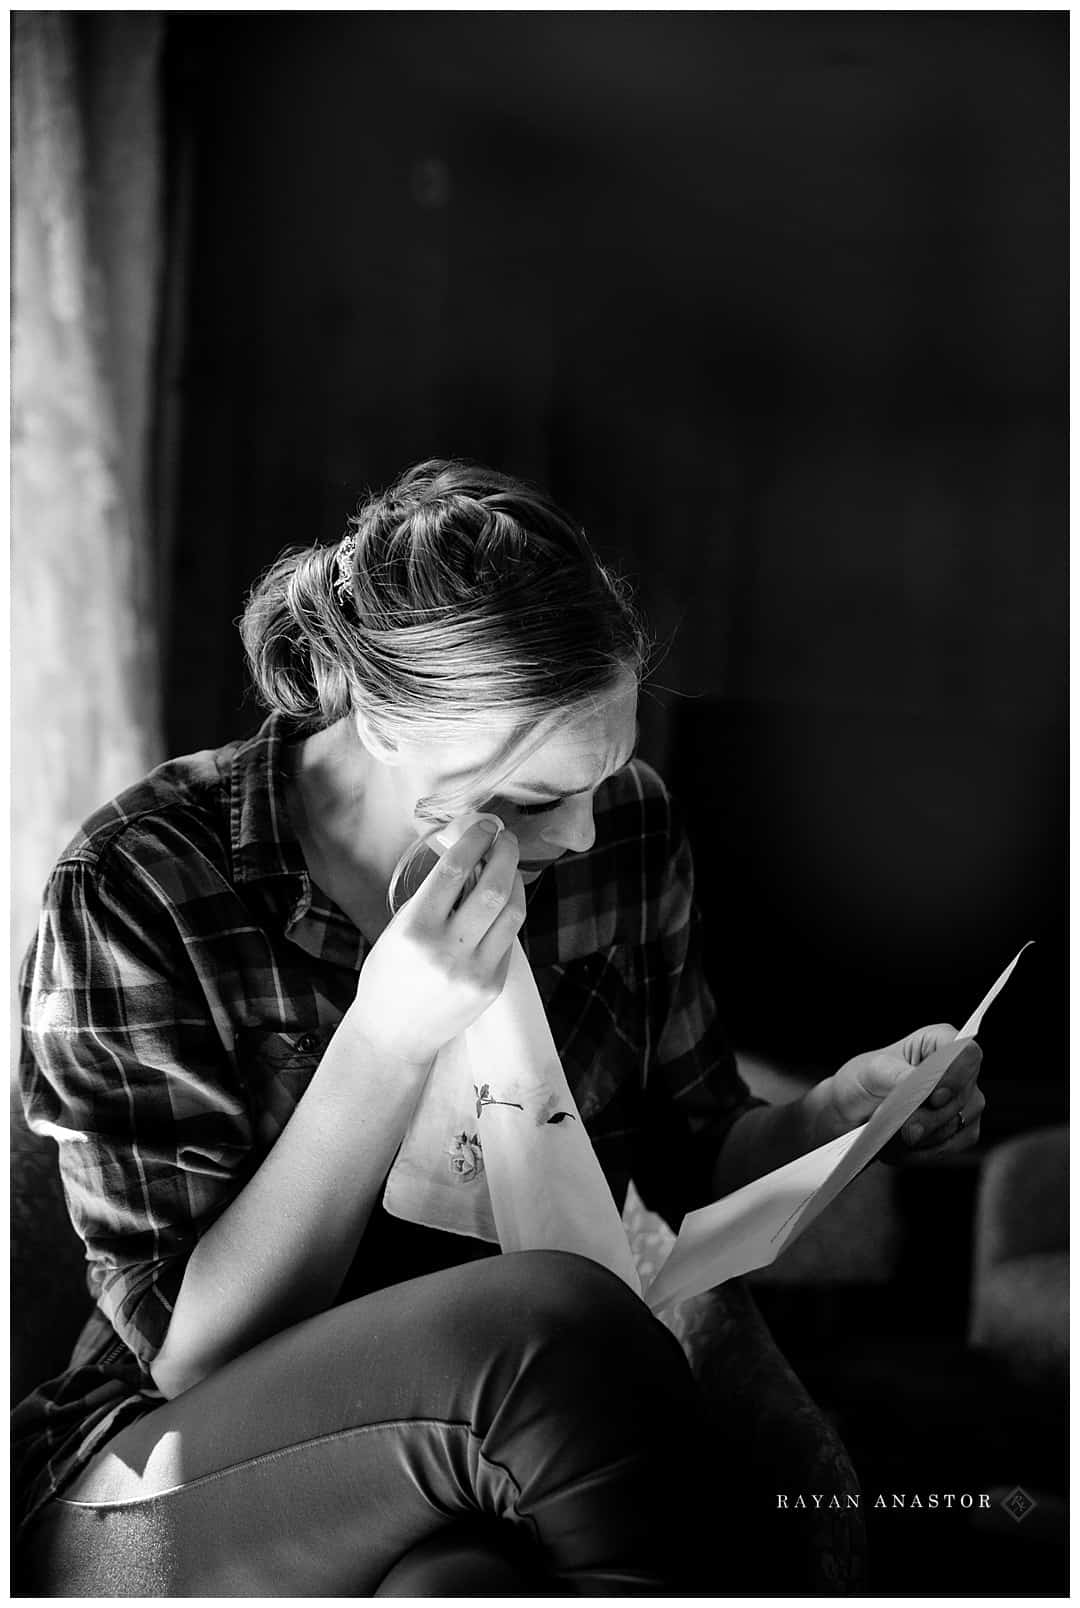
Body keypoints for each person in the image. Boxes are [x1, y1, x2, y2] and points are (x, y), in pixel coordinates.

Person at [13, 460, 985, 1596]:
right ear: (378, 720)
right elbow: (193, 1350)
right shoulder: (143, 881)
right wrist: (389, 1037)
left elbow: (689, 1152)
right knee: (557, 1323)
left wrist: (839, 1116)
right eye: (530, 801)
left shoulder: (623, 833)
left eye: (603, 774)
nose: (578, 835)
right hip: (171, 1468)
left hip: (502, 1447)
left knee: (461, 1585)